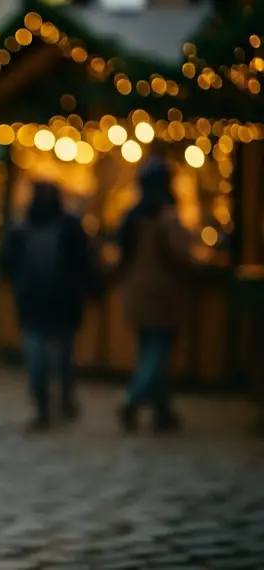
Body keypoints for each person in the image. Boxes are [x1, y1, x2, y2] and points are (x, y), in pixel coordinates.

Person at [1, 182, 96, 431]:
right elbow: (84, 263)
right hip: (53, 303)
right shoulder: (65, 226)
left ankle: (50, 405)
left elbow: (8, 264)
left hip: (42, 303)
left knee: (47, 359)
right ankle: (56, 403)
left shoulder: (24, 228)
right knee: (56, 357)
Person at [116, 160, 190, 434]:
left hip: (137, 293)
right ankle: (133, 399)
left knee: (150, 348)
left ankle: (162, 410)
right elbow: (181, 254)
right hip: (161, 295)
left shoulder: (132, 216)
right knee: (156, 351)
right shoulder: (165, 217)